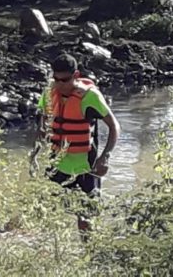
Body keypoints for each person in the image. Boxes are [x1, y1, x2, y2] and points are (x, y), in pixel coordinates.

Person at [33, 53, 120, 233]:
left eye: (64, 80)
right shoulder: (50, 92)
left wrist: (105, 157)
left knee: (85, 217)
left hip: (85, 168)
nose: (59, 84)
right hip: (57, 163)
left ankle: (89, 255)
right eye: (55, 79)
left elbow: (114, 127)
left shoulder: (90, 97)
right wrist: (36, 148)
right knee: (44, 209)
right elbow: (43, 117)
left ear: (76, 75)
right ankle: (48, 252)